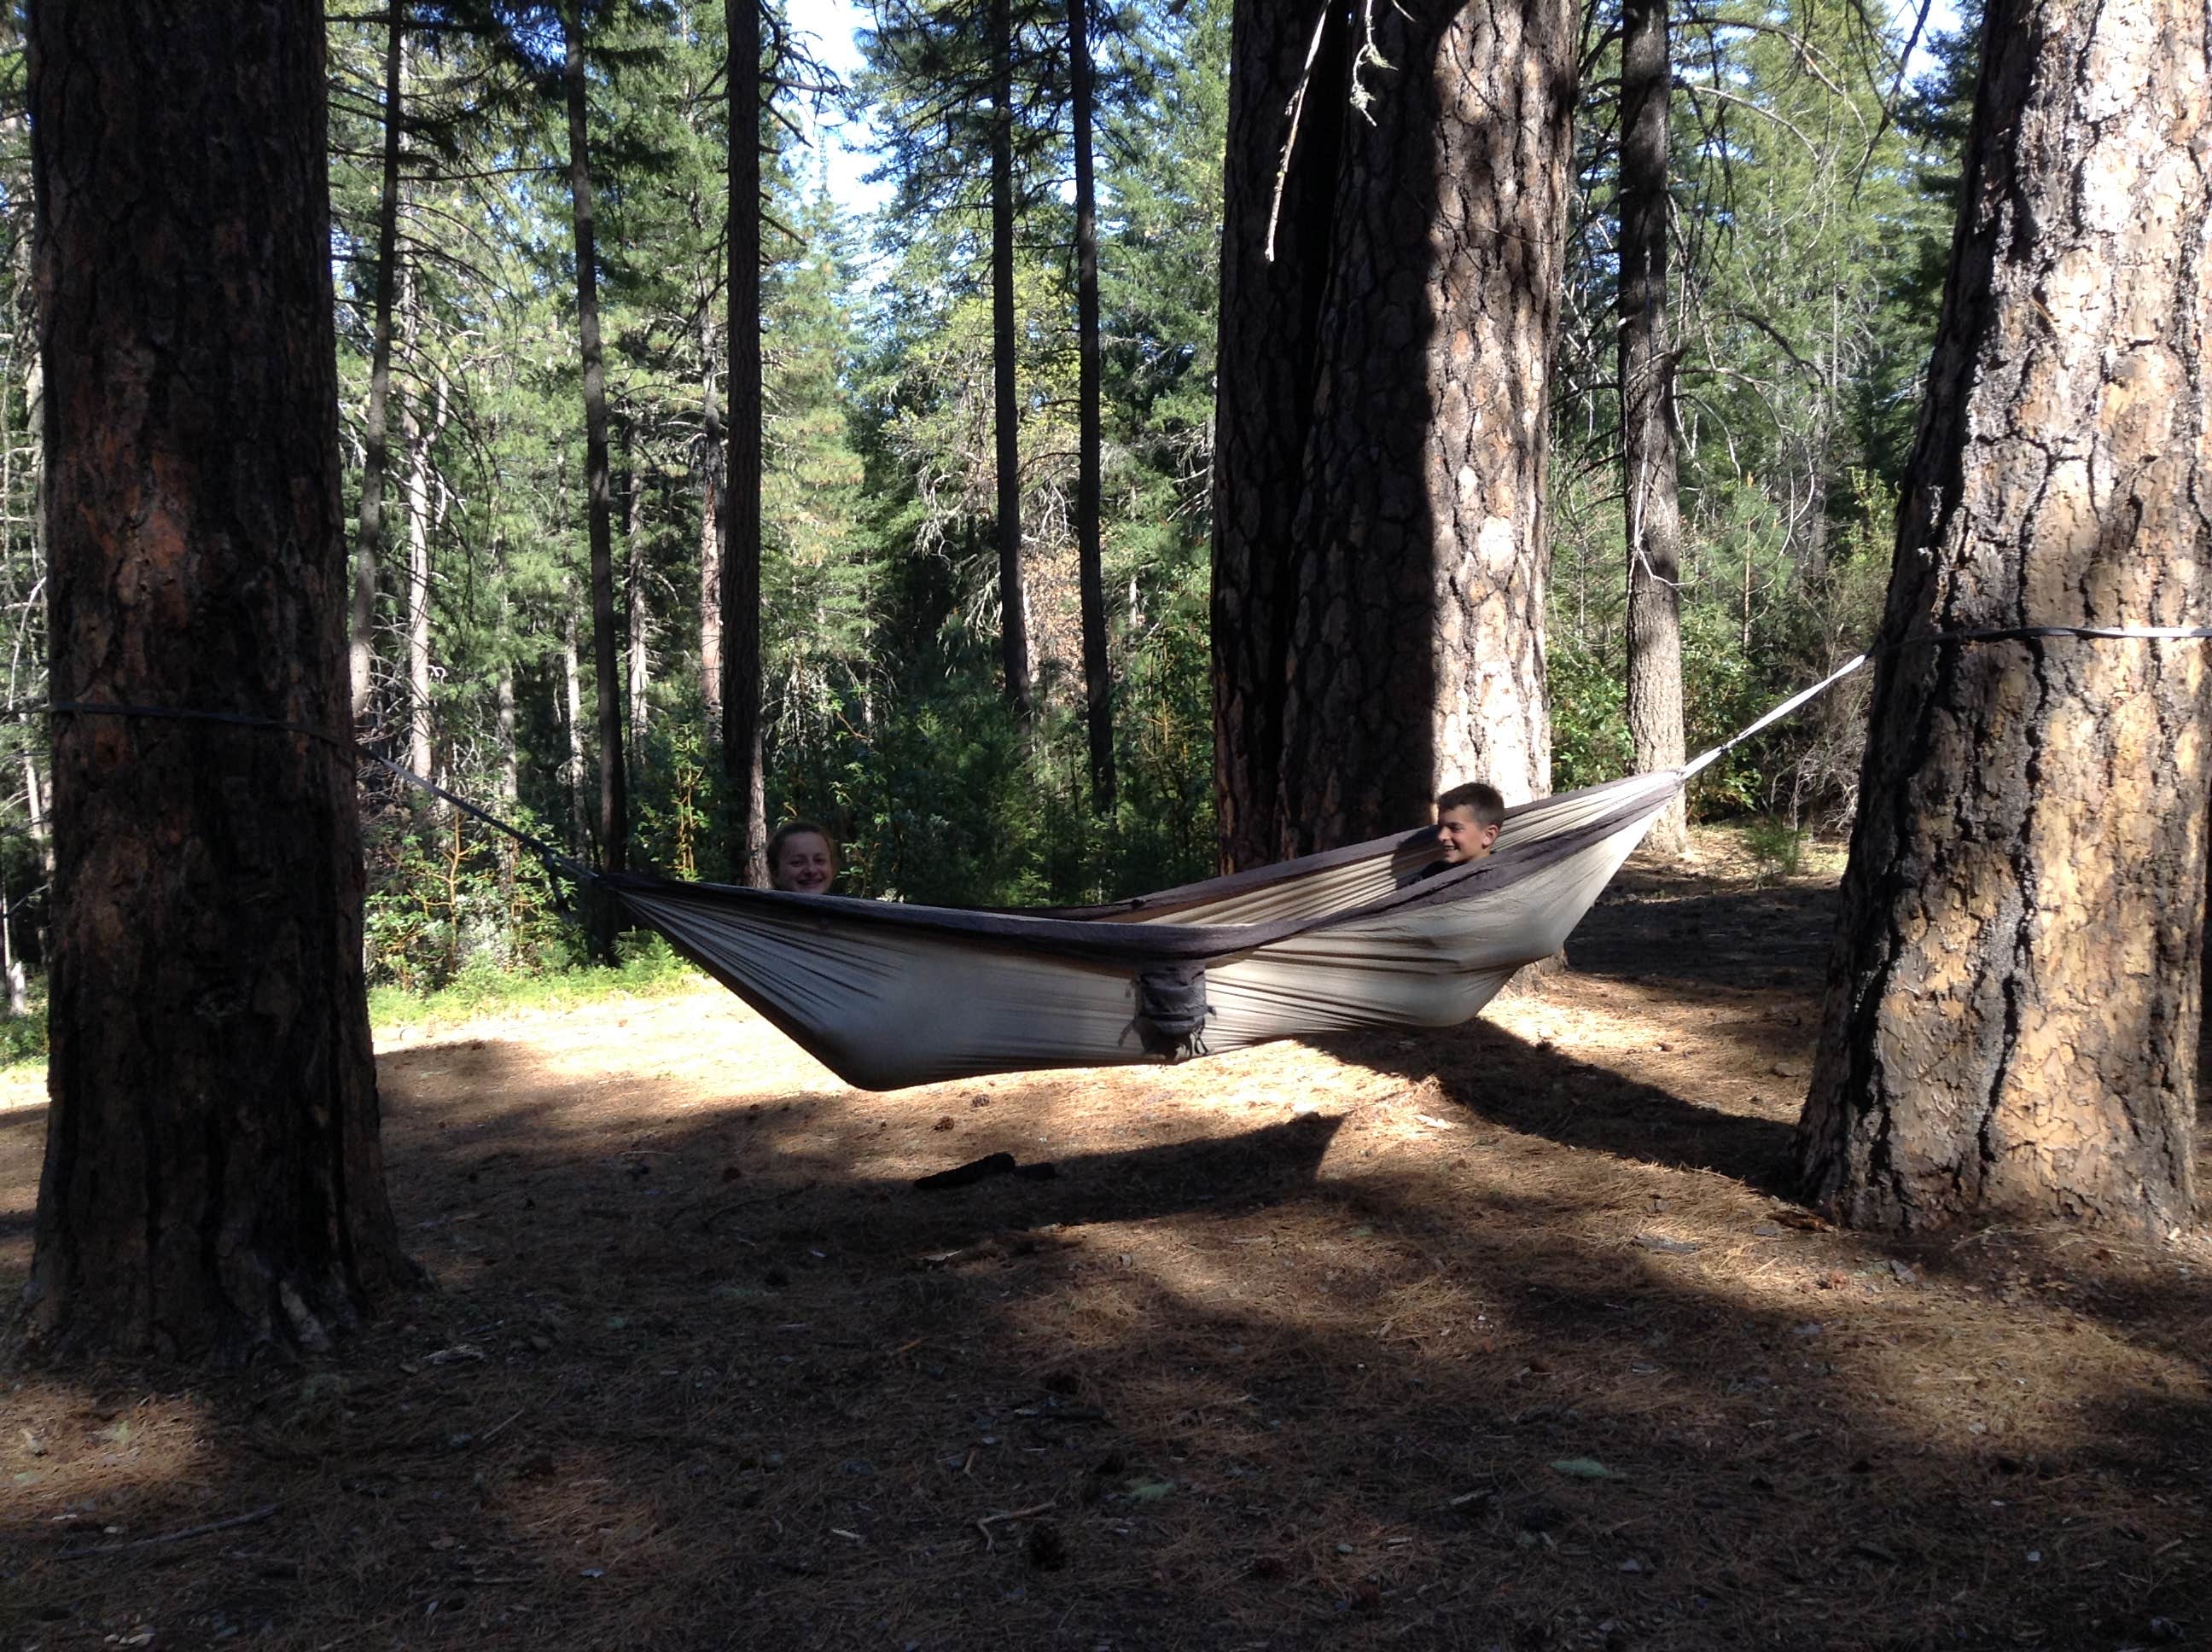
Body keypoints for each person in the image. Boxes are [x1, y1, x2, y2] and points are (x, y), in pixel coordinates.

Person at [1402, 781, 1505, 885]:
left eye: (1455, 828)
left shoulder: (1505, 880)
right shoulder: (1432, 874)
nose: (1441, 836)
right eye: (1440, 827)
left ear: (1488, 835)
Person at [767, 819, 837, 894]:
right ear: (775, 873)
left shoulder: (848, 904)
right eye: (797, 862)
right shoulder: (757, 905)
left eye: (819, 860)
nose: (811, 870)